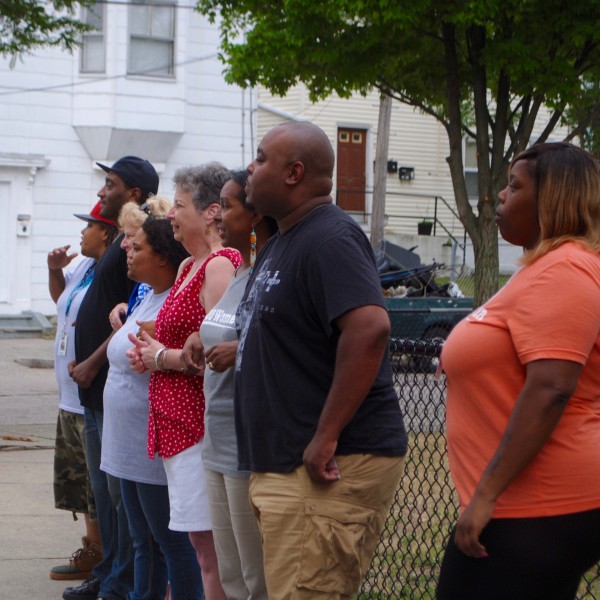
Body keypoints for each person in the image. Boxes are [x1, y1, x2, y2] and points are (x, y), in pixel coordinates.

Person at [234, 122, 408, 600]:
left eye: (262, 158)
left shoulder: (330, 238)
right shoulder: (284, 240)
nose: (251, 167)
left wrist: (326, 435)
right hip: (285, 466)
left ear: (294, 173)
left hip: (326, 467)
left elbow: (369, 328)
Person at [436, 142, 600, 600]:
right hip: (527, 503)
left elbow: (552, 388)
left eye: (514, 186)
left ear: (552, 199)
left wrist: (485, 496)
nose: (499, 197)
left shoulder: (566, 268)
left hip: (538, 502)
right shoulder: (540, 268)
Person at [129, 163, 241, 600]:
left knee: (210, 550)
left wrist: (161, 358)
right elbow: (183, 333)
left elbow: (218, 354)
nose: (169, 215)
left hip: (199, 426)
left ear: (211, 212)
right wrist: (147, 339)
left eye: (178, 206)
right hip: (177, 428)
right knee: (198, 546)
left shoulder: (218, 267)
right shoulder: (188, 268)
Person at [64, 156, 159, 600]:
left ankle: (119, 584)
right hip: (97, 394)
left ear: (134, 193)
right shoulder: (121, 243)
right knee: (106, 496)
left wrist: (93, 363)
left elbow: (132, 321)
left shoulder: (138, 248)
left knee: (121, 501)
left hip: (110, 389)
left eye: (110, 184)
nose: (102, 191)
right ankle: (110, 575)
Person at [181, 170, 276, 600]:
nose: (220, 216)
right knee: (230, 574)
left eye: (230, 206)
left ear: (255, 215)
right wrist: (201, 338)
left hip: (245, 446)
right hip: (215, 440)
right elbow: (225, 328)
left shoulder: (270, 272)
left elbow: (282, 343)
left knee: (255, 578)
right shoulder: (241, 273)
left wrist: (238, 350)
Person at [101, 216, 204, 600]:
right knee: (141, 541)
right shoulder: (145, 293)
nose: (126, 248)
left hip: (154, 442)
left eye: (138, 246)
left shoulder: (176, 299)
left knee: (169, 543)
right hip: (127, 442)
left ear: (163, 258)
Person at [47, 202, 118, 581]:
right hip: (68, 395)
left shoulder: (113, 271)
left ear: (105, 232)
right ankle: (95, 548)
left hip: (88, 393)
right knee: (81, 482)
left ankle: (105, 554)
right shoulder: (85, 266)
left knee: (98, 482)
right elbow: (60, 303)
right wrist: (54, 271)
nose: (82, 232)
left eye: (89, 226)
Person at [108, 195, 173, 331]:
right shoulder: (143, 286)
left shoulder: (170, 289)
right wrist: (127, 308)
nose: (123, 244)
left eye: (130, 236)